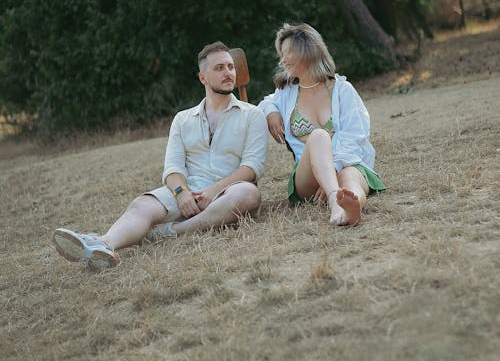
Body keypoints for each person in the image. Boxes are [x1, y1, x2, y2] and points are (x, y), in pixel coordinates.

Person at [53, 41, 268, 270]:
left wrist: (213, 191)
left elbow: (252, 167)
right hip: (187, 191)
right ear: (203, 78)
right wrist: (182, 193)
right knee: (141, 205)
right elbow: (173, 168)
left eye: (230, 67)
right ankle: (104, 244)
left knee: (249, 193)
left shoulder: (252, 115)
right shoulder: (183, 119)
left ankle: (170, 231)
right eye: (219, 68)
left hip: (226, 192)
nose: (228, 73)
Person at [258, 23, 385, 226]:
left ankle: (351, 208)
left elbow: (355, 137)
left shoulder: (343, 90)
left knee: (350, 179)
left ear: (308, 51)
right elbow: (266, 101)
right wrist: (271, 111)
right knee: (319, 136)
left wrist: (334, 169)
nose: (282, 60)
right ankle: (336, 197)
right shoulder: (287, 92)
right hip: (307, 176)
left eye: (288, 52)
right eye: (281, 54)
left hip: (346, 163)